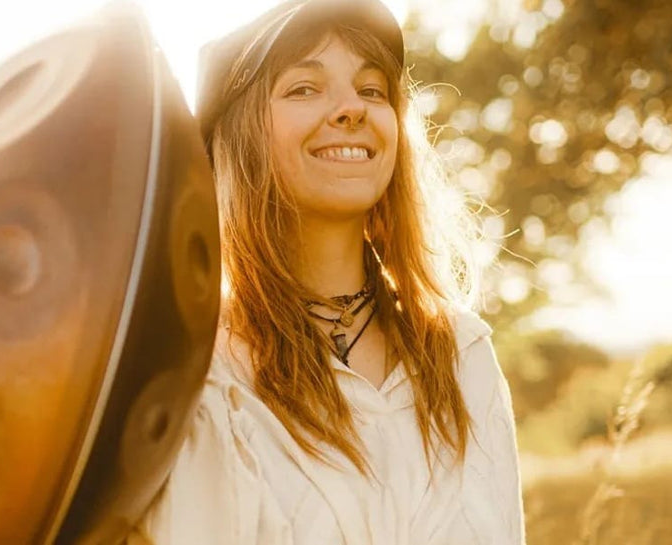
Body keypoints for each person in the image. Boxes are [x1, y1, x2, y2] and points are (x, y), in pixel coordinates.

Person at [131, 0, 525, 543]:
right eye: (304, 88)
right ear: (241, 135)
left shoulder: (462, 355)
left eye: (372, 90)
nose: (352, 108)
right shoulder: (199, 374)